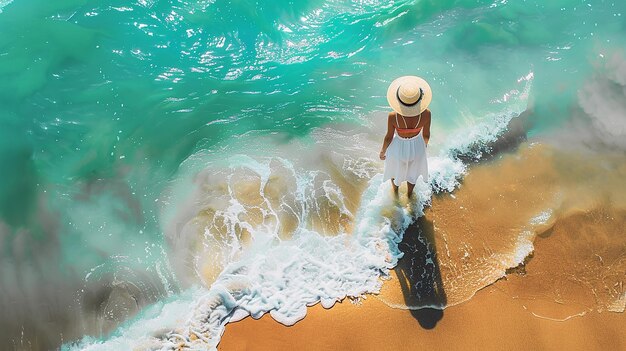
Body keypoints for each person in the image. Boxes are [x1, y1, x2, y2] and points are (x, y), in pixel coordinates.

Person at [379, 76, 431, 198]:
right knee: (412, 173)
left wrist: (383, 151)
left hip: (399, 148)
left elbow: (389, 137)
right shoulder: (426, 114)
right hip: (417, 147)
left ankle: (395, 193)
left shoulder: (393, 116)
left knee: (395, 171)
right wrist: (423, 148)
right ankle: (409, 195)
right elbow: (426, 135)